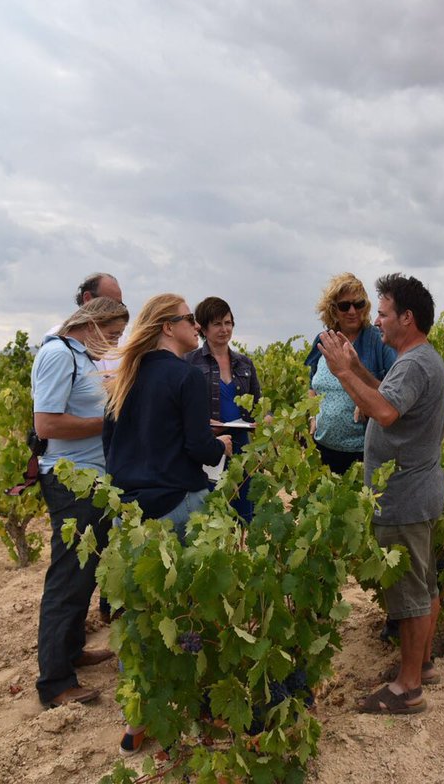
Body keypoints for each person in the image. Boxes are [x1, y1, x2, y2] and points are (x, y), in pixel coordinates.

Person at [101, 293, 233, 754]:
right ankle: (201, 708)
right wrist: (221, 447)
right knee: (196, 608)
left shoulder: (124, 377)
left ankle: (137, 722)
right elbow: (198, 447)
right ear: (166, 327)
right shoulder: (186, 375)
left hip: (132, 515)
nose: (196, 326)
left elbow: (113, 447)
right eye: (188, 319)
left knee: (138, 618)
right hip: (179, 504)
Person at [317, 273, 444, 716]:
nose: (377, 321)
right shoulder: (416, 360)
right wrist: (355, 369)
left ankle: (408, 688)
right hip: (418, 491)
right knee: (424, 585)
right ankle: (422, 665)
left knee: (410, 595)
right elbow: (388, 396)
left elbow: (385, 410)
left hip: (404, 496)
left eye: (385, 313)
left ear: (407, 318)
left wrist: (341, 371)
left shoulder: (413, 364)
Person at [33, 296, 129, 708]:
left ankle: (72, 651)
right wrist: (109, 424)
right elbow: (46, 423)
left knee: (84, 573)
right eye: (112, 335)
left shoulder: (79, 355)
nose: (113, 344)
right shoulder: (58, 354)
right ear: (90, 325)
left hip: (90, 479)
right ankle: (55, 683)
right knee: (68, 579)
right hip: (71, 481)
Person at [304, 273, 396, 474]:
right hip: (323, 448)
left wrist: (367, 398)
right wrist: (313, 418)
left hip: (363, 452)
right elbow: (312, 385)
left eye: (358, 304)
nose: (352, 311)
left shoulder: (377, 340)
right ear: (333, 310)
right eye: (345, 306)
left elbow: (395, 389)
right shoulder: (323, 340)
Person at [183, 297, 262, 523]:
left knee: (243, 508)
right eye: (217, 324)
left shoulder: (244, 363)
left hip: (242, 445)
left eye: (228, 323)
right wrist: (203, 425)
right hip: (209, 445)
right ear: (203, 329)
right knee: (211, 510)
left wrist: (263, 418)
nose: (224, 329)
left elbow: (257, 403)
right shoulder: (189, 362)